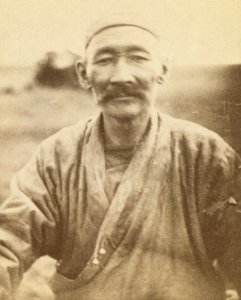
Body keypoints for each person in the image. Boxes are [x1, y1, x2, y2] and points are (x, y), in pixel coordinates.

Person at [0, 15, 241, 300]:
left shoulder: (206, 155)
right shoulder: (56, 157)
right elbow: (10, 242)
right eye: (104, 61)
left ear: (163, 68)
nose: (121, 76)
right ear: (83, 73)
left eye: (138, 59)